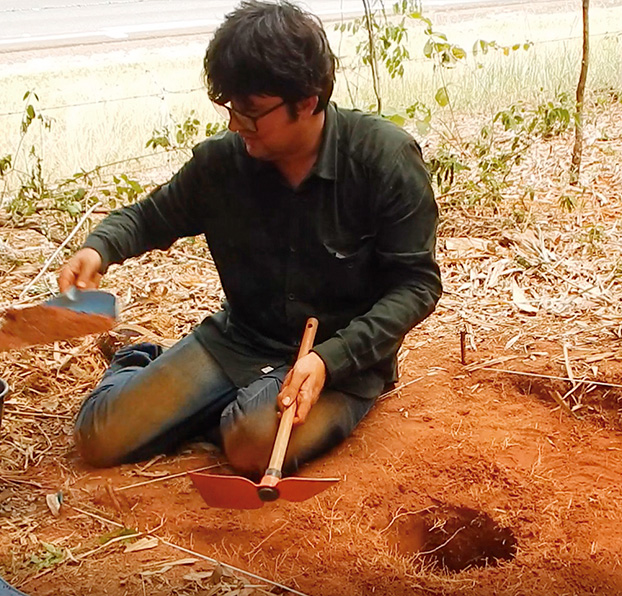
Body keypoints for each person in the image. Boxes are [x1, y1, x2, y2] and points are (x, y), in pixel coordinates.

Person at [56, 0, 440, 478]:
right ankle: (139, 358)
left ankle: (223, 408)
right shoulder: (223, 163)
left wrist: (330, 359)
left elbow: (416, 285)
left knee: (253, 442)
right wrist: (98, 248)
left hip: (340, 364)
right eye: (231, 108)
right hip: (240, 342)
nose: (237, 125)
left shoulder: (384, 159)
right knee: (100, 437)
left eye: (253, 112)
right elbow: (150, 216)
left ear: (307, 100)